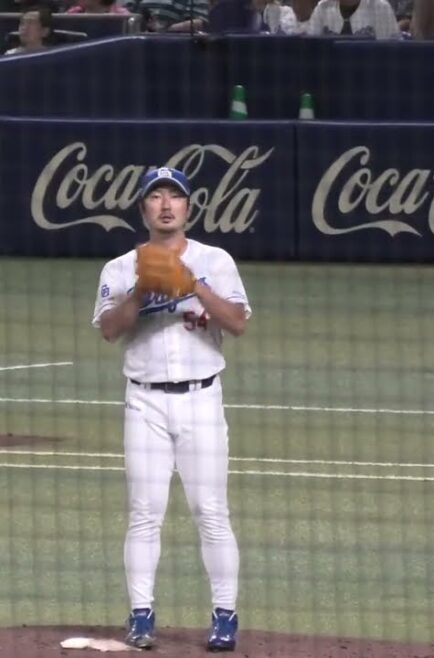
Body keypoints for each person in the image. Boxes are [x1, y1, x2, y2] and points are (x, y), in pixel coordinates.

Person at [91, 167, 250, 652]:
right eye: (155, 197)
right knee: (144, 513)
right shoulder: (121, 268)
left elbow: (237, 322)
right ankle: (141, 616)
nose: (165, 205)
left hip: (202, 400)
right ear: (143, 209)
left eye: (174, 197)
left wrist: (193, 286)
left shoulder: (215, 260)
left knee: (211, 512)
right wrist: (143, 291)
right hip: (144, 403)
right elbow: (109, 329)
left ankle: (225, 616)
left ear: (188, 207)